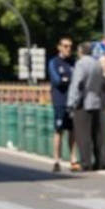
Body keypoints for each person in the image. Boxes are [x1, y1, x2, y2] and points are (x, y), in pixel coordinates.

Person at [67, 46, 105, 171]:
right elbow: (102, 83)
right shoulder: (97, 64)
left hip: (83, 102)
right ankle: (100, 161)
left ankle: (86, 163)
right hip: (96, 101)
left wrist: (71, 103)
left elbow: (77, 84)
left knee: (83, 134)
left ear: (80, 52)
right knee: (96, 134)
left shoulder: (81, 64)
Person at [47, 36, 78, 172]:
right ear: (59, 47)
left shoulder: (73, 62)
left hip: (72, 100)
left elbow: (77, 80)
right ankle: (56, 160)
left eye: (70, 46)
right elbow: (57, 81)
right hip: (59, 100)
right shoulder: (54, 62)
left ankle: (73, 159)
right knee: (59, 130)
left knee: (72, 130)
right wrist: (68, 80)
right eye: (65, 46)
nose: (68, 49)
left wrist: (67, 79)